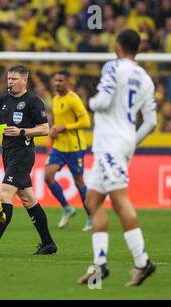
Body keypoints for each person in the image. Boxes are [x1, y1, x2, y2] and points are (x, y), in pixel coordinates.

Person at [78, 29, 157, 286]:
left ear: (117, 46)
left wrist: (91, 101)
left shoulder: (113, 67)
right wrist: (131, 142)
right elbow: (152, 122)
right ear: (138, 49)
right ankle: (100, 265)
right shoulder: (145, 78)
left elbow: (102, 102)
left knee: (120, 200)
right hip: (118, 144)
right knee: (93, 200)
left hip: (110, 144)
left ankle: (142, 262)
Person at [0, 64, 57, 255]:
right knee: (28, 199)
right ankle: (48, 243)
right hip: (7, 152)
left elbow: (44, 129)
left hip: (23, 154)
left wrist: (22, 131)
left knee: (4, 195)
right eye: (9, 79)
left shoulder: (33, 101)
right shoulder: (4, 100)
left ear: (24, 81)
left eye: (14, 79)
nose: (10, 82)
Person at [45, 70, 92, 231]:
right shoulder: (55, 99)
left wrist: (66, 127)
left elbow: (86, 121)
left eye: (61, 81)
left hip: (74, 147)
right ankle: (67, 208)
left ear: (68, 82)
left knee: (79, 182)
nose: (57, 83)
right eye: (56, 80)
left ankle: (91, 216)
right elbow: (58, 122)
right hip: (59, 146)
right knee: (48, 176)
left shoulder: (74, 99)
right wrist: (53, 130)